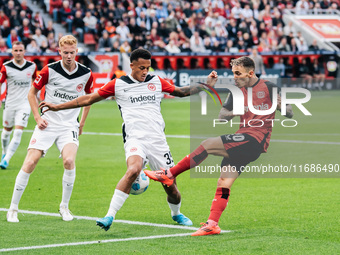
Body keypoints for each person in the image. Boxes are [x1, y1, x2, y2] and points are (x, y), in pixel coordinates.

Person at [39, 48, 218, 231]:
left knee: (171, 187)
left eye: (148, 68)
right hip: (135, 139)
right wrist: (57, 107)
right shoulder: (117, 84)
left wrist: (206, 85)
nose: (145, 71)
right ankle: (109, 216)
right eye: (141, 68)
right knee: (133, 170)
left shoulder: (156, 81)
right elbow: (88, 99)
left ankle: (176, 213)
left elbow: (181, 92)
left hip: (157, 141)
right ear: (131, 65)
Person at [145, 56, 294, 236]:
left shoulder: (269, 87)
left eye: (238, 74)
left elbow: (290, 113)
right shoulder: (236, 91)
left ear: (251, 73)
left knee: (207, 145)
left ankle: (169, 174)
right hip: (242, 138)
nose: (235, 78)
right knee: (224, 181)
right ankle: (212, 224)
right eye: (233, 74)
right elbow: (222, 116)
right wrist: (236, 111)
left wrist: (280, 105)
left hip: (254, 139)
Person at [6, 35, 93, 223]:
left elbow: (88, 99)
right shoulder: (49, 70)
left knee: (69, 161)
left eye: (72, 52)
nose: (69, 56)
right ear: (59, 52)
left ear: (76, 52)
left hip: (69, 125)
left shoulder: (86, 73)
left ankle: (64, 206)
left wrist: (82, 123)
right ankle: (13, 208)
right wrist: (37, 118)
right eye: (65, 52)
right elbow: (32, 94)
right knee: (30, 163)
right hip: (47, 123)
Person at [0, 41, 37, 169]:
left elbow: (35, 82)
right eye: (16, 50)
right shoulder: (6, 66)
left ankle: (6, 160)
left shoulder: (32, 66)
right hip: (10, 103)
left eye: (20, 50)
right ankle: (4, 153)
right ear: (12, 52)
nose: (18, 53)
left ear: (24, 51)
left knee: (18, 133)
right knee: (6, 133)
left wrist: (36, 98)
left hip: (24, 103)